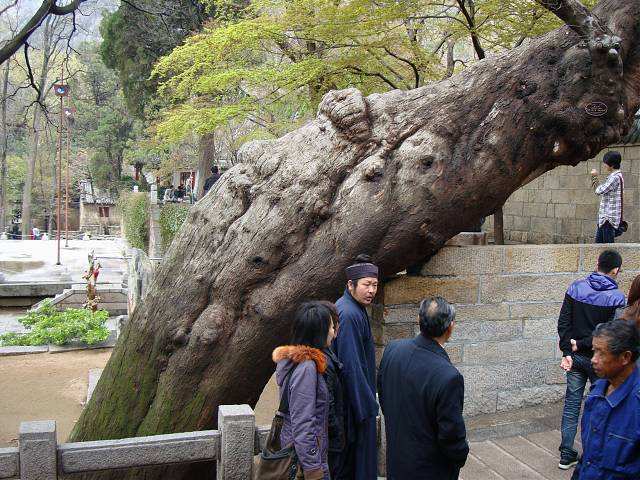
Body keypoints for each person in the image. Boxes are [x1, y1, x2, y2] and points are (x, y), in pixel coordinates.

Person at [378, 296, 469, 480]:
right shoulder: (449, 377)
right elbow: (451, 437)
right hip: (429, 470)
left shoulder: (393, 349)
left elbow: (384, 399)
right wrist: (461, 454)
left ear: (418, 320)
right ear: (450, 327)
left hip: (397, 463)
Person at [557, 249, 626, 470]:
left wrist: (569, 350)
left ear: (597, 265)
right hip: (601, 362)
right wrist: (583, 344)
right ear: (616, 270)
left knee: (572, 404)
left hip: (575, 358)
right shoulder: (618, 298)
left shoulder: (575, 288)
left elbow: (563, 323)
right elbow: (610, 334)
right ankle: (591, 455)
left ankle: (566, 454)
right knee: (598, 407)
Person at [272, 302, 336, 480]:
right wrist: (314, 470)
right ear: (319, 332)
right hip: (305, 463)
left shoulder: (299, 362)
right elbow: (303, 423)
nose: (333, 332)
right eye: (331, 327)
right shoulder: (306, 368)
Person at [571, 320, 640, 480]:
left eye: (601, 353)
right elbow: (588, 456)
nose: (593, 359)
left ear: (625, 357)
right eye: (594, 351)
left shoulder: (636, 404)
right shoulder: (596, 393)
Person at [332, 254, 379, 479]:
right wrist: (366, 408)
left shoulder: (353, 307)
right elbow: (351, 367)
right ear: (350, 285)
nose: (371, 291)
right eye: (366, 285)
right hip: (352, 407)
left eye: (375, 285)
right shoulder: (349, 314)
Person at [317, 300, 346, 479]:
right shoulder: (321, 362)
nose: (335, 330)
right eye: (332, 326)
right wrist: (337, 432)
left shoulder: (326, 354)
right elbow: (327, 403)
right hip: (327, 442)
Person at [591, 151, 624, 243]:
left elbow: (598, 191)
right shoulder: (615, 176)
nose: (604, 165)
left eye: (605, 163)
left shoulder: (615, 178)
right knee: (598, 247)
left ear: (612, 165)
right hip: (605, 219)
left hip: (608, 219)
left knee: (607, 248)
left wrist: (594, 177)